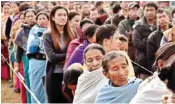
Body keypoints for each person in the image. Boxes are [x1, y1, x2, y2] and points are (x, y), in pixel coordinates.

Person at [43, 6, 75, 103]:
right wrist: (70, 55)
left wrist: (64, 57)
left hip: (71, 74)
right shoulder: (47, 35)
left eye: (65, 15)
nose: (63, 17)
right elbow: (52, 57)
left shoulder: (73, 33)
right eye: (59, 15)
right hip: (55, 75)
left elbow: (78, 52)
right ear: (53, 17)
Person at [14, 9, 37, 103]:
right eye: (28, 16)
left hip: (41, 61)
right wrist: (17, 64)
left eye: (32, 16)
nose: (30, 18)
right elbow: (19, 50)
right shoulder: (22, 32)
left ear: (36, 16)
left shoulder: (42, 29)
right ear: (25, 19)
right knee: (28, 82)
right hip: (27, 60)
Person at [26, 12, 49, 103]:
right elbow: (31, 49)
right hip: (36, 61)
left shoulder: (51, 31)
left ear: (48, 20)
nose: (42, 20)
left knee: (47, 86)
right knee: (36, 86)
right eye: (39, 18)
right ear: (36, 20)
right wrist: (40, 37)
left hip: (48, 62)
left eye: (44, 18)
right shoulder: (34, 31)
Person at [132, 2, 158, 80]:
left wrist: (146, 40)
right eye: (147, 10)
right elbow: (137, 43)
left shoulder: (161, 24)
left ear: (156, 11)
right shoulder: (138, 25)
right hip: (143, 62)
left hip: (159, 61)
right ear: (143, 11)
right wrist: (152, 46)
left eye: (151, 10)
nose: (149, 13)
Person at [147, 8, 172, 73]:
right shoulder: (152, 37)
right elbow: (150, 57)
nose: (162, 19)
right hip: (160, 68)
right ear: (156, 20)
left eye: (164, 16)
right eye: (159, 17)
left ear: (169, 17)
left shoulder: (173, 32)